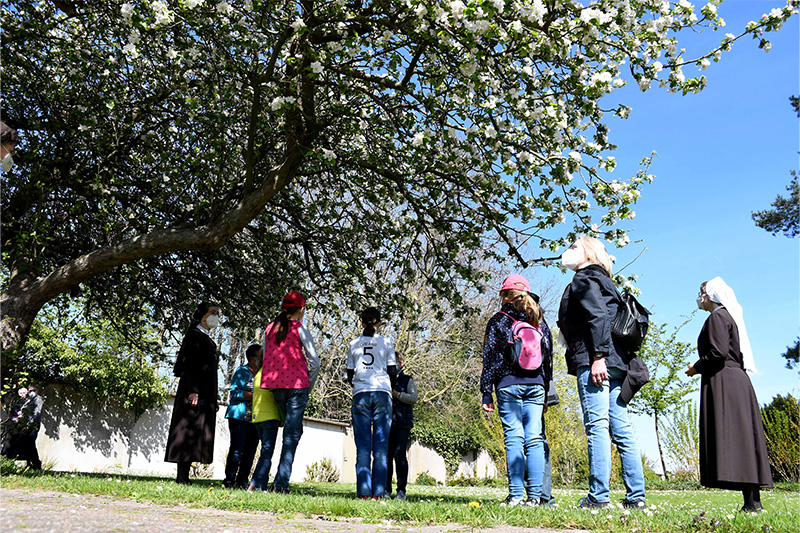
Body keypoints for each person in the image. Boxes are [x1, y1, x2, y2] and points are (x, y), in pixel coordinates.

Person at [557, 236, 646, 509]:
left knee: (597, 427)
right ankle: (636, 498)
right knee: (621, 429)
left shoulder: (583, 279)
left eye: (574, 247)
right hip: (618, 364)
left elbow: (597, 316)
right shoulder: (606, 281)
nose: (567, 251)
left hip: (597, 360)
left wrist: (597, 358)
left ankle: (598, 498)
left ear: (588, 253)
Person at [686, 277, 772, 512]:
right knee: (744, 439)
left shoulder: (717, 316)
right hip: (737, 381)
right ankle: (752, 503)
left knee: (736, 437)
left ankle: (752, 503)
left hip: (725, 381)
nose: (699, 298)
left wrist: (695, 368)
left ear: (711, 295)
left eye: (701, 292)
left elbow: (717, 352)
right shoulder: (728, 317)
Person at [481, 274, 550, 507]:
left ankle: (516, 496)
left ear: (503, 295)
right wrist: (546, 387)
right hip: (536, 384)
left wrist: (486, 392)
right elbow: (548, 357)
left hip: (507, 384)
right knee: (534, 438)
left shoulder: (498, 320)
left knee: (514, 438)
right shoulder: (538, 321)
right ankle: (535, 497)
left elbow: (489, 357)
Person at [261, 291, 320, 493]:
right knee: (291, 435)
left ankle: (270, 479)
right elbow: (315, 362)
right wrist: (307, 386)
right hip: (297, 386)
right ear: (301, 310)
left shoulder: (269, 328)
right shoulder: (300, 328)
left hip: (275, 385)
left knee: (290, 431)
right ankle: (281, 483)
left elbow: (264, 358)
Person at [165, 301, 221, 484]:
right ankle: (182, 477)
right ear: (202, 315)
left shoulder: (206, 338)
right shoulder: (194, 335)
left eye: (217, 313)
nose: (215, 317)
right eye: (212, 312)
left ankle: (186, 476)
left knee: (196, 433)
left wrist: (214, 398)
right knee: (187, 431)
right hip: (194, 392)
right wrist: (193, 391)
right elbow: (190, 365)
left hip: (206, 394)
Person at [347, 307, 397, 499]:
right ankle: (378, 493)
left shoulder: (354, 344)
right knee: (381, 447)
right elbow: (392, 371)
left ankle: (363, 493)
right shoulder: (386, 342)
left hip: (361, 393)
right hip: (382, 393)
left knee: (363, 446)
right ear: (380, 323)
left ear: (361, 322)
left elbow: (349, 374)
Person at [223, 344, 262, 489]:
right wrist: (255, 396)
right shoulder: (242, 371)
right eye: (260, 356)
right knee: (237, 449)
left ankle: (242, 482)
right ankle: (229, 480)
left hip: (256, 418)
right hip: (239, 417)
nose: (263, 359)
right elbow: (235, 392)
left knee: (250, 452)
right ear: (252, 358)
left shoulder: (263, 374)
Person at [248, 349, 283, 492]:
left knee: (265, 452)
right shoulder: (272, 372)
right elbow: (278, 397)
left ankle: (261, 484)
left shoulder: (259, 373)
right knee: (267, 453)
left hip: (257, 418)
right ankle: (255, 483)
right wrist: (283, 416)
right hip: (270, 417)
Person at [386, 352, 417, 501]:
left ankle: (401, 490)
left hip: (403, 422)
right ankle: (386, 489)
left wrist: (397, 395)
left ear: (401, 363)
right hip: (386, 422)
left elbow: (413, 398)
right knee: (386, 456)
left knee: (400, 456)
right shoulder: (384, 378)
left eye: (397, 361)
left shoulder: (407, 379)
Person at [2, 385, 44, 470]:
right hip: (25, 425)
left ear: (37, 390)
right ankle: (31, 464)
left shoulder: (38, 400)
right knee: (27, 444)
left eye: (33, 390)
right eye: (30, 390)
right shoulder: (29, 400)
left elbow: (36, 414)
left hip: (32, 426)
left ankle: (36, 464)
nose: (31, 392)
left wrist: (28, 425)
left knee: (30, 444)